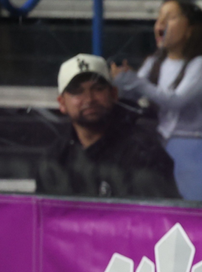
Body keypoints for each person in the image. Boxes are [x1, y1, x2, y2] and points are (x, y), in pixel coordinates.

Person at [36, 54, 180, 199]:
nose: (89, 99)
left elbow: (166, 218)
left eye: (98, 88)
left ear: (114, 94)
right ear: (62, 103)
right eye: (77, 91)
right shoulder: (54, 159)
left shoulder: (144, 152)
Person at [111, 0, 202, 140]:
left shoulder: (200, 64)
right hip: (162, 138)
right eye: (159, 17)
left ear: (190, 30)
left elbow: (175, 101)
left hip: (192, 142)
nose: (161, 22)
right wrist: (121, 82)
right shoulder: (153, 62)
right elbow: (136, 95)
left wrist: (134, 81)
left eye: (171, 18)